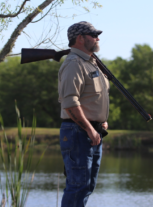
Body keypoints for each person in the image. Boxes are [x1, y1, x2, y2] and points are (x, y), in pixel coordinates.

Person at [58, 21, 109, 207]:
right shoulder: (74, 63)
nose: (98, 38)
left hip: (91, 131)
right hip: (79, 132)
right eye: (93, 35)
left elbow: (91, 99)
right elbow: (70, 103)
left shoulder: (91, 63)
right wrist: (89, 128)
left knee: (87, 185)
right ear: (80, 38)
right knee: (78, 185)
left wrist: (101, 121)